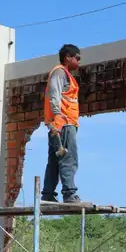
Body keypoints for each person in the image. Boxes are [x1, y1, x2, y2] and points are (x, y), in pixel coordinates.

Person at [41, 43, 83, 204]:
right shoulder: (60, 72)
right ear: (68, 57)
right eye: (77, 58)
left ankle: (48, 194)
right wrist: (58, 116)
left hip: (58, 124)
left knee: (55, 160)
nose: (78, 62)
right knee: (69, 159)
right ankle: (69, 194)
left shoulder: (65, 75)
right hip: (63, 123)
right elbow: (54, 94)